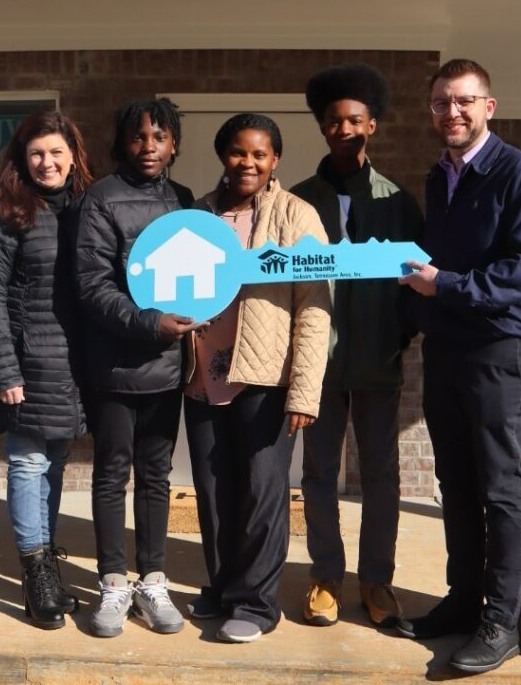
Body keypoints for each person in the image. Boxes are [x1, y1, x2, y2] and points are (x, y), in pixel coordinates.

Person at [398, 58, 521, 674]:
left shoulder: (520, 174)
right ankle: (463, 602)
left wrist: (448, 289)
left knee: (499, 487)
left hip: (500, 351)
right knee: (456, 483)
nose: (452, 113)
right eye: (441, 103)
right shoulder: (439, 178)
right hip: (447, 349)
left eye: (464, 101)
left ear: (488, 106)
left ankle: (501, 622)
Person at [185, 113, 331, 644]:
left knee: (262, 492)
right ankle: (223, 589)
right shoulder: (199, 214)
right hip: (201, 373)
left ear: (275, 161)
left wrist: (305, 390)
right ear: (224, 154)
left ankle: (256, 603)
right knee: (212, 487)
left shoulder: (297, 216)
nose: (248, 162)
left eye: (260, 154)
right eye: (238, 152)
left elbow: (315, 307)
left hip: (265, 376)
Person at [291, 64, 423, 629]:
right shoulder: (298, 201)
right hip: (317, 365)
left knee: (380, 476)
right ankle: (325, 577)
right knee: (319, 474)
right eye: (332, 121)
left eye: (353, 120)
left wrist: (398, 338)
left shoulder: (397, 202)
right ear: (322, 128)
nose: (343, 129)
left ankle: (377, 581)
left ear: (371, 125)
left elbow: (418, 280)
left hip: (377, 363)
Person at [73, 98, 196, 638]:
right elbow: (92, 287)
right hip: (116, 365)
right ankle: (112, 583)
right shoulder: (99, 200)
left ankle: (153, 580)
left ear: (174, 145)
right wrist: (150, 325)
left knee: (156, 476)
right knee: (110, 474)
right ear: (122, 142)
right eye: (139, 137)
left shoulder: (185, 200)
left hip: (169, 368)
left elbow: (197, 274)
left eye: (160, 137)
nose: (149, 148)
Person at [0, 110, 93, 629]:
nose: (47, 163)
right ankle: (36, 576)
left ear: (73, 156)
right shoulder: (9, 211)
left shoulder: (88, 208)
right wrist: (5, 369)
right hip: (26, 362)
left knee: (57, 465)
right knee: (26, 464)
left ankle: (48, 566)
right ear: (22, 161)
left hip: (75, 365)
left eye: (56, 152)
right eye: (36, 154)